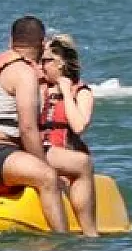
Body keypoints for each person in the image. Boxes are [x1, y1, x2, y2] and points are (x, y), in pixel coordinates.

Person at [0, 16, 77, 234]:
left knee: (80, 163)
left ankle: (88, 230)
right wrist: (46, 167)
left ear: (11, 41)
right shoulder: (24, 74)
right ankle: (62, 239)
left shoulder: (2, 64)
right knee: (47, 177)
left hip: (10, 150)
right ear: (42, 43)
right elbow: (28, 129)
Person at [40, 33, 98, 236]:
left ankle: (89, 232)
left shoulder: (80, 92)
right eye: (41, 60)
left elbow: (79, 126)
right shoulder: (37, 87)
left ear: (61, 64)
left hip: (66, 156)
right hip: (41, 153)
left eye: (47, 60)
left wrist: (65, 92)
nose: (42, 65)